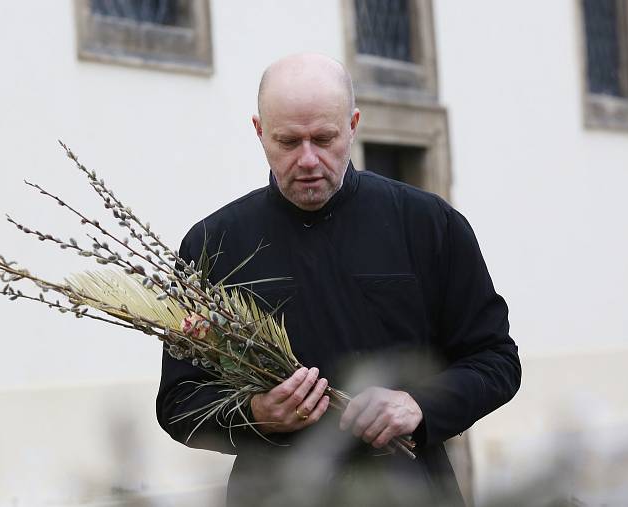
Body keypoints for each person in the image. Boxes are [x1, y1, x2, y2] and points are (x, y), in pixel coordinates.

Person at [156, 53, 521, 506]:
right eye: (288, 142)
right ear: (258, 131)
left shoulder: (431, 225)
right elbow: (178, 403)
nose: (308, 159)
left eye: (324, 138)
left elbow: (496, 361)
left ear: (353, 124)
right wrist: (255, 415)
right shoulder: (210, 244)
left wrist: (419, 405)